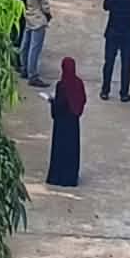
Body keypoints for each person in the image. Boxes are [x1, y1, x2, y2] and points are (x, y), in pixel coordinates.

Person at [48, 57, 86, 186]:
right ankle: (70, 178)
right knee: (72, 150)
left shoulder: (61, 85)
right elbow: (82, 100)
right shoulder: (79, 83)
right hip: (73, 123)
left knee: (60, 150)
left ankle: (57, 177)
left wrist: (52, 102)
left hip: (61, 124)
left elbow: (59, 106)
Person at [20, 0, 53, 85]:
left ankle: (24, 68)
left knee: (25, 45)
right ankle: (33, 75)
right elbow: (44, 5)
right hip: (39, 19)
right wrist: (49, 15)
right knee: (35, 48)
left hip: (29, 15)